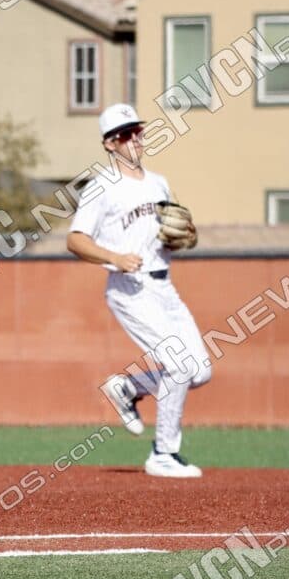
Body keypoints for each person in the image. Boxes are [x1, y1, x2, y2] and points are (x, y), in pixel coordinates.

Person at [67, 103, 212, 478]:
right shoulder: (100, 187)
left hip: (165, 287)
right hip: (130, 288)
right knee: (179, 366)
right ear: (109, 144)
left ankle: (128, 388)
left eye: (137, 131)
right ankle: (163, 454)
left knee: (199, 372)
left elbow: (167, 231)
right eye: (124, 134)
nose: (133, 139)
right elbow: (75, 240)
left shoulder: (158, 183)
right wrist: (114, 255)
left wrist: (182, 237)